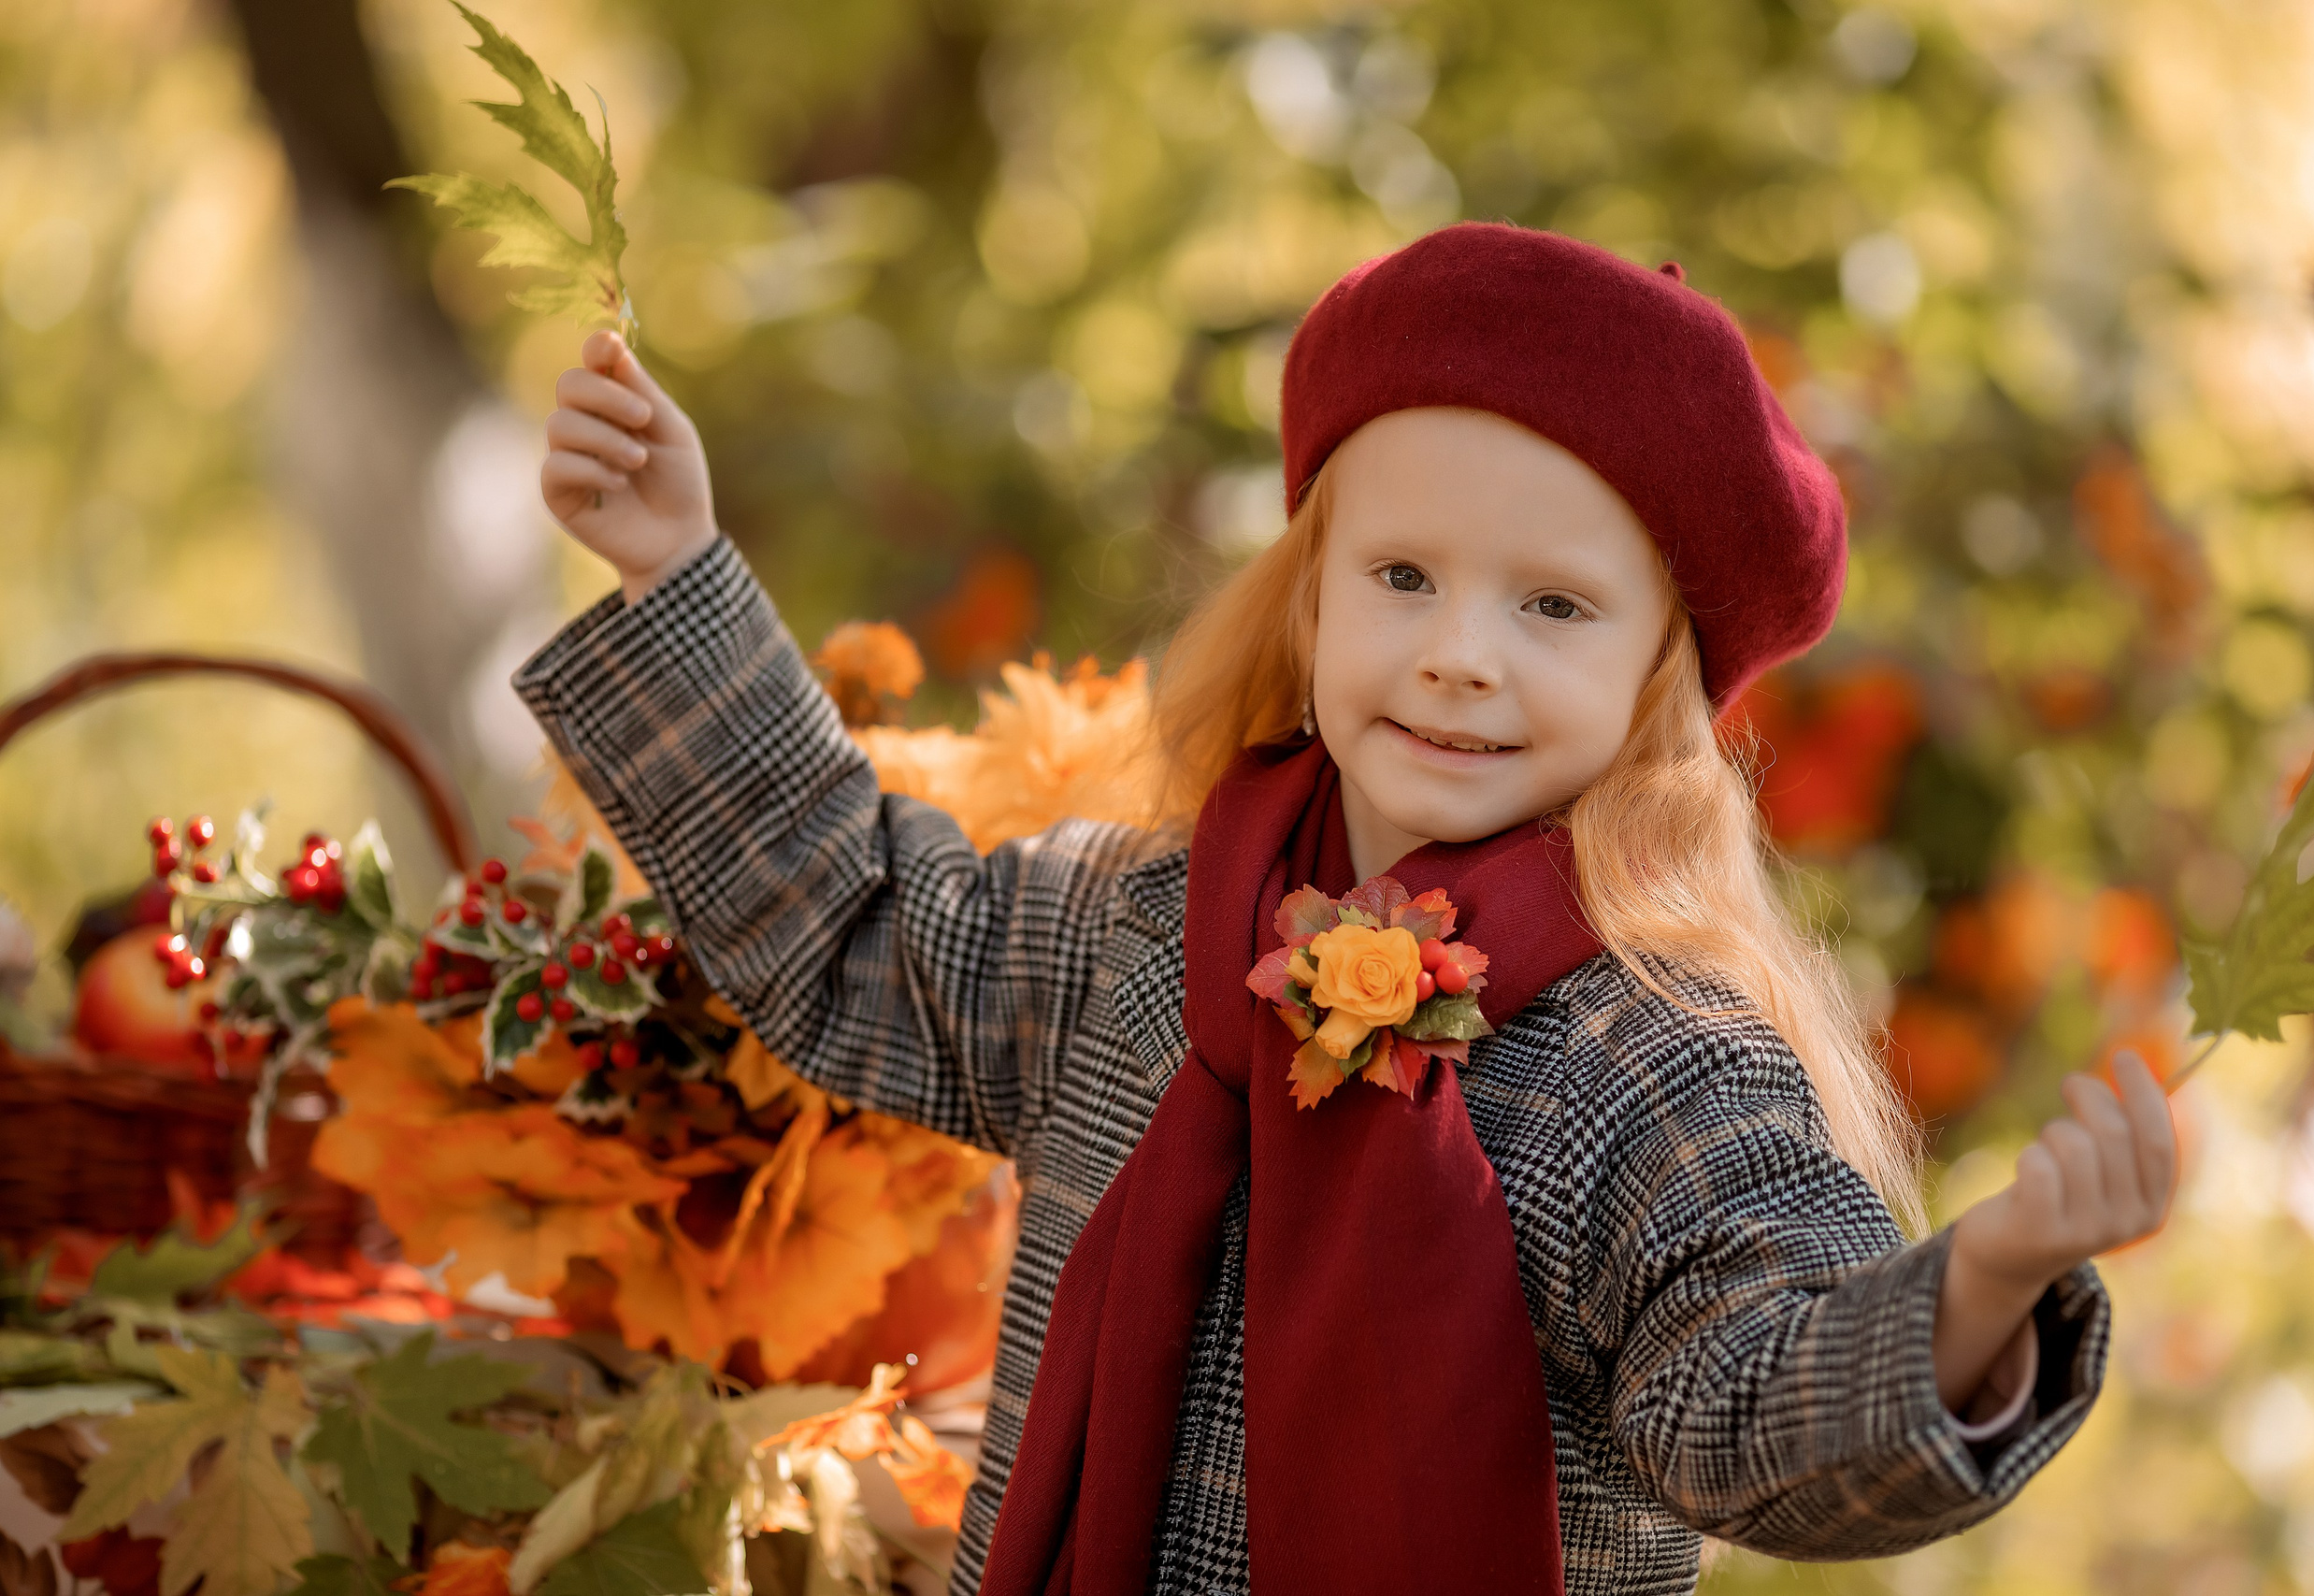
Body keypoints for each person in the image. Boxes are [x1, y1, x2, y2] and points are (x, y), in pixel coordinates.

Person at [517, 223, 2178, 1596]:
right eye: (1406, 576)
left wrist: (1987, 1283)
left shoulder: (1659, 1061)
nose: (1464, 649)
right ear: (1309, 593)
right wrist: (675, 569)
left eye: (1554, 605)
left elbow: (1747, 1400)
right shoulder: (1145, 929)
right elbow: (857, 923)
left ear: (1654, 682)